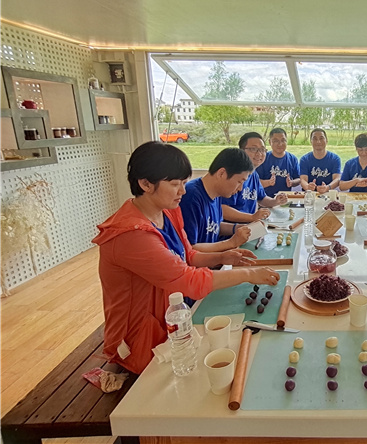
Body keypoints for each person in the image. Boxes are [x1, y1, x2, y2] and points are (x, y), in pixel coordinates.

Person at [92, 142, 280, 374]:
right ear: (145, 184)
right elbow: (185, 278)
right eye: (175, 184)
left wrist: (224, 255)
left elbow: (187, 254)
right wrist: (250, 274)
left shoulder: (167, 211)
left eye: (183, 183)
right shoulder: (132, 234)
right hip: (142, 341)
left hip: (175, 321)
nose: (183, 191)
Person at [180, 147, 255, 251]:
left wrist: (237, 228)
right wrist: (231, 243)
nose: (240, 188)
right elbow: (191, 249)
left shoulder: (217, 193)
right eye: (239, 182)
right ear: (221, 174)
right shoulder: (191, 197)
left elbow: (215, 227)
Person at [221, 132, 288, 223]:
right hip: (232, 232)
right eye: (253, 149)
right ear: (241, 150)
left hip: (249, 227)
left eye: (262, 150)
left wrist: (276, 201)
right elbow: (222, 209)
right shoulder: (232, 175)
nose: (259, 153)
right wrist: (252, 217)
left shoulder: (254, 174)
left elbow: (262, 198)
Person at [255, 127, 301, 197]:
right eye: (276, 141)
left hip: (285, 199)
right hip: (265, 199)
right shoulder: (263, 158)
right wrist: (268, 182)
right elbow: (255, 181)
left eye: (283, 140)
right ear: (270, 142)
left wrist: (292, 182)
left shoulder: (292, 159)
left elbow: (298, 178)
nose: (280, 144)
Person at [299, 128, 341, 193]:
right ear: (311, 141)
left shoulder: (334, 159)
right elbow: (303, 180)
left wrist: (327, 187)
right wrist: (308, 187)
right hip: (309, 195)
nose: (318, 141)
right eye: (315, 139)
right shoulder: (304, 159)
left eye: (321, 138)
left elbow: (337, 179)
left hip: (328, 194)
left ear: (326, 140)